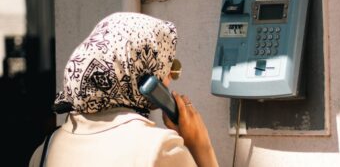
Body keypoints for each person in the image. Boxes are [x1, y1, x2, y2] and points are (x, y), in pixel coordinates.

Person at [29, 12, 219, 167]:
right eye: (169, 68)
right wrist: (201, 147)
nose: (170, 78)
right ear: (145, 77)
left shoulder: (45, 151)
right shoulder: (160, 149)